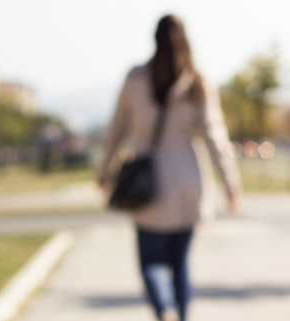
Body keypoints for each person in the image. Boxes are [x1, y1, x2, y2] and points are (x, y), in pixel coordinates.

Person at [96, 15, 241, 321]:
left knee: (151, 261)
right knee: (181, 262)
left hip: (147, 180)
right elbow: (215, 137)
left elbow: (116, 130)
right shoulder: (197, 82)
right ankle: (178, 314)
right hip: (188, 177)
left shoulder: (135, 79)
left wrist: (104, 173)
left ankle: (164, 309)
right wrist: (231, 183)